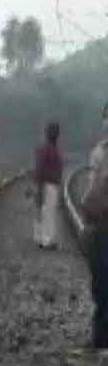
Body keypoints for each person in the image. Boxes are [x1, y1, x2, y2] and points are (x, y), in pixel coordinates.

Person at [81, 121, 108, 348]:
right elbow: (94, 188)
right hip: (101, 224)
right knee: (100, 283)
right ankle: (100, 337)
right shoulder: (100, 151)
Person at [32, 121, 63, 250]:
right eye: (53, 131)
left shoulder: (48, 148)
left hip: (47, 184)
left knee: (43, 211)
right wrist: (39, 186)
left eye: (56, 131)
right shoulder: (47, 149)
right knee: (48, 212)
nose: (55, 133)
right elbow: (39, 169)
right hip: (48, 184)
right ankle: (47, 241)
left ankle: (40, 238)